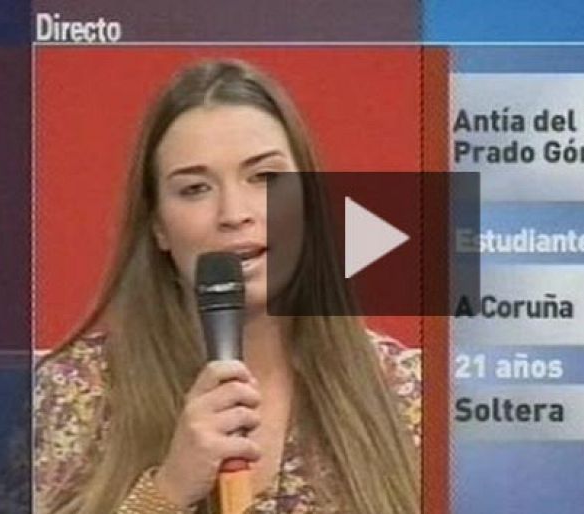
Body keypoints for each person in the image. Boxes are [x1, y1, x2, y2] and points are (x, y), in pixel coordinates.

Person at [34, 59, 421, 514]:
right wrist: (169, 489)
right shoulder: (79, 391)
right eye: (195, 189)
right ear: (158, 226)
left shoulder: (408, 390)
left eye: (264, 178)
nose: (234, 213)